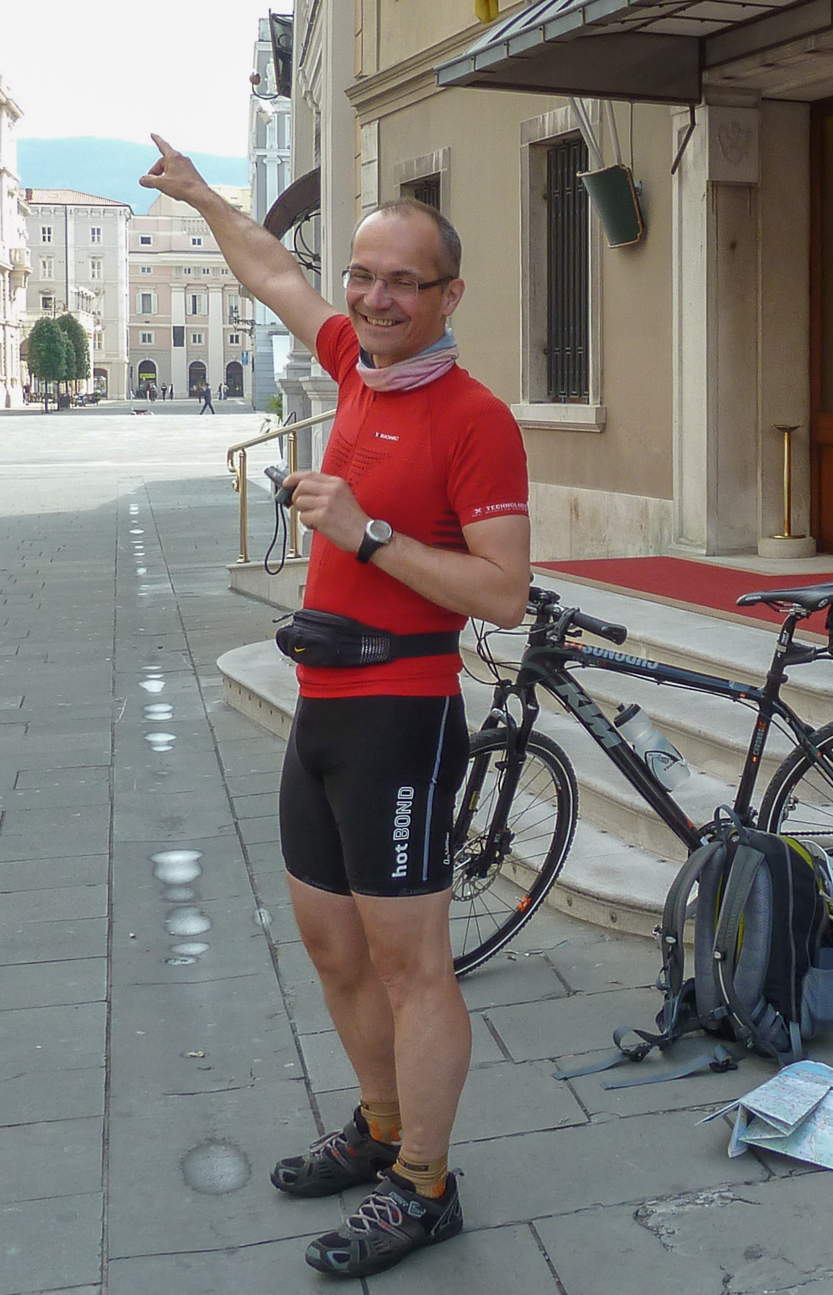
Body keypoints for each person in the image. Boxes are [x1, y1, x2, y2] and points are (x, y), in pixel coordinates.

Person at [143, 134, 528, 1278]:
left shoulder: (474, 419)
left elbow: (502, 591)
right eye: (363, 274)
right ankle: (380, 1125)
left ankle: (426, 1185)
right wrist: (204, 194)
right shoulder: (358, 368)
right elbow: (270, 270)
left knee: (413, 964)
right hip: (322, 705)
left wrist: (366, 531)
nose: (372, 296)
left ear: (448, 294)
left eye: (403, 280)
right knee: (330, 945)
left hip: (403, 714)